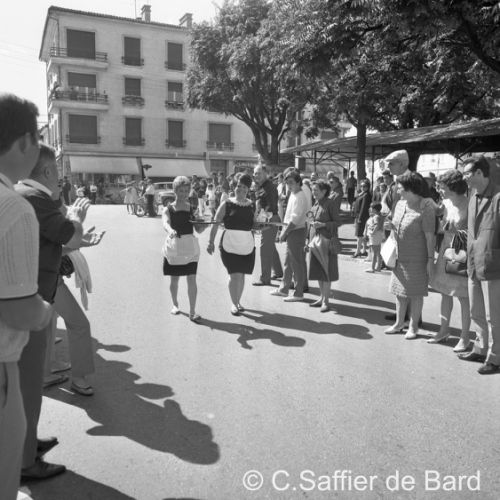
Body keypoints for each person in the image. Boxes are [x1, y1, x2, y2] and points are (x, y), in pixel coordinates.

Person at [16, 144, 90, 481]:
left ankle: (27, 444)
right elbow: (71, 235)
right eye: (57, 170)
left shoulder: (23, 193)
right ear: (47, 171)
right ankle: (25, 461)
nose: (60, 177)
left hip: (30, 297)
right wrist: (76, 217)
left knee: (28, 386)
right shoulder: (37, 198)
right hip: (31, 300)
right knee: (28, 389)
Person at [0, 93, 53, 500]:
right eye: (37, 138)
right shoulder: (14, 208)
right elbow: (21, 311)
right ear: (23, 142)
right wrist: (46, 311)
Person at [458, 156, 500, 374]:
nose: (464, 177)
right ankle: (481, 348)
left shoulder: (498, 196)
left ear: (479, 173)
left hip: (493, 264)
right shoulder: (473, 196)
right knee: (477, 310)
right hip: (474, 262)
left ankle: (496, 357)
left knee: (495, 316)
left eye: (467, 173)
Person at [385, 172, 435, 339]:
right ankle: (399, 323)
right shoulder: (400, 204)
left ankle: (413, 327)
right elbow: (396, 226)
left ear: (411, 189)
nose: (397, 190)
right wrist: (390, 226)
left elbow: (430, 237)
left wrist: (430, 260)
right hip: (399, 256)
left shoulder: (426, 208)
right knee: (399, 292)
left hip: (417, 258)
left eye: (400, 187)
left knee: (415, 294)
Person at [427, 170, 471, 351]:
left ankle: (465, 337)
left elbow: (475, 233)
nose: (439, 190)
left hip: (462, 254)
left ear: (453, 187)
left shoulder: (470, 204)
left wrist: (457, 231)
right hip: (446, 251)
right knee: (444, 293)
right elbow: (439, 225)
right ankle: (443, 330)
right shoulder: (445, 203)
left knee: (463, 297)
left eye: (442, 187)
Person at [207, 173, 256, 315]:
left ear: (248, 189)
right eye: (239, 186)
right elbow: (215, 223)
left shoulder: (252, 205)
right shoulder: (227, 204)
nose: (241, 189)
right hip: (229, 244)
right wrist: (211, 242)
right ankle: (234, 304)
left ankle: (238, 301)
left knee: (241, 275)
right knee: (235, 275)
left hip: (246, 245)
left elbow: (254, 225)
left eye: (244, 187)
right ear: (234, 187)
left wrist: (265, 225)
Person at [162, 176, 204, 322]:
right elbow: (165, 223)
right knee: (174, 279)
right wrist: (170, 230)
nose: (184, 194)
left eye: (186, 191)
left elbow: (198, 229)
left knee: (192, 278)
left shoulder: (192, 209)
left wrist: (205, 225)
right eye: (181, 191)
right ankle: (175, 304)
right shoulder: (168, 208)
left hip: (190, 248)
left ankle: (192, 312)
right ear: (175, 191)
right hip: (174, 248)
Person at [270, 169, 311, 302]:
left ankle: (298, 293)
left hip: (296, 231)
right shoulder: (294, 194)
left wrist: (284, 233)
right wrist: (284, 231)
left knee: (296, 263)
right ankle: (284, 289)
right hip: (292, 231)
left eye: (291, 182)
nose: (289, 185)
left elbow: (295, 219)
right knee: (288, 262)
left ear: (298, 182)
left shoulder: (300, 196)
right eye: (287, 183)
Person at [307, 180, 341, 312]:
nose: (313, 192)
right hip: (314, 242)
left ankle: (326, 301)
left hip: (326, 242)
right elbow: (310, 222)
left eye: (316, 190)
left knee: (326, 272)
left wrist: (323, 225)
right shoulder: (315, 204)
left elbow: (338, 222)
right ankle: (321, 298)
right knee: (318, 272)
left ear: (324, 191)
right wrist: (307, 240)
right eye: (313, 190)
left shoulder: (330, 203)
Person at [252, 164, 283, 286]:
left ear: (266, 173)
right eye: (255, 173)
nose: (256, 175)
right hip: (268, 218)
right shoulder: (262, 186)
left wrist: (261, 221)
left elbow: (270, 207)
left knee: (265, 249)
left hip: (269, 218)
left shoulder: (269, 187)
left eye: (259, 173)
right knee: (270, 247)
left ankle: (265, 278)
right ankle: (278, 272)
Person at [352, 179, 372, 257]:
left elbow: (364, 207)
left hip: (362, 217)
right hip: (360, 216)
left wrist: (360, 218)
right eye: (361, 186)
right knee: (362, 234)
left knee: (359, 235)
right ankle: (363, 250)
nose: (362, 187)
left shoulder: (366, 195)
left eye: (364, 186)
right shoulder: (362, 194)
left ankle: (358, 251)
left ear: (368, 187)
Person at [364, 202, 385, 273]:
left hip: (375, 235)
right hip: (379, 235)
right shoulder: (380, 215)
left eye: (371, 207)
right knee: (378, 252)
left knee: (374, 252)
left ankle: (372, 268)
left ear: (375, 209)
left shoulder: (376, 216)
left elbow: (377, 225)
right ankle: (378, 267)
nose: (370, 208)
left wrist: (372, 232)